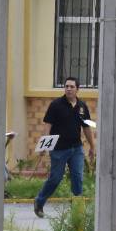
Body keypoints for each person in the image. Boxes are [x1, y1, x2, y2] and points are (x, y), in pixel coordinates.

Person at [33, 77, 95, 218]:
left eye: (72, 86)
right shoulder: (56, 105)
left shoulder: (82, 106)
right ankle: (39, 201)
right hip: (59, 149)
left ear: (77, 89)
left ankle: (77, 210)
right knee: (55, 178)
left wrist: (92, 146)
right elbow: (47, 125)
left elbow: (86, 128)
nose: (68, 89)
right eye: (66, 86)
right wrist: (43, 145)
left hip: (76, 149)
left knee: (77, 177)